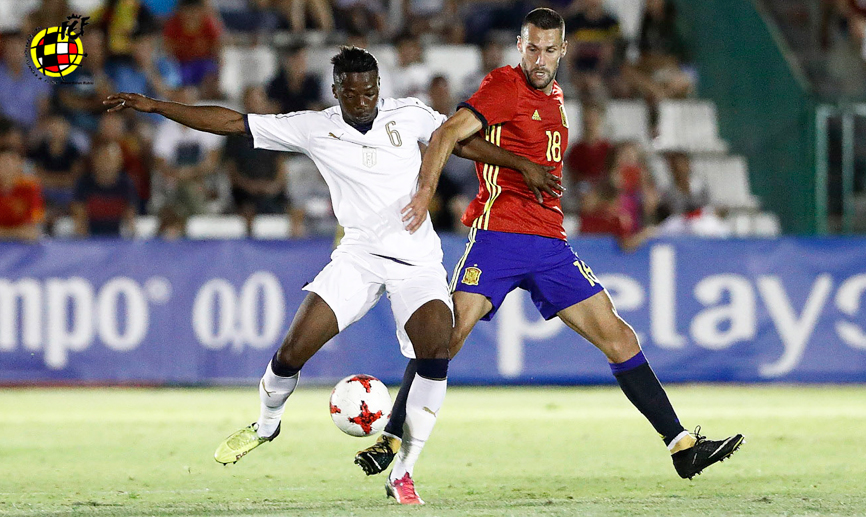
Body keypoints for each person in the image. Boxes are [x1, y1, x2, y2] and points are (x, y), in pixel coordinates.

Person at [104, 45, 552, 505]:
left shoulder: (410, 115)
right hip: (357, 258)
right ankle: (266, 424)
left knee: (436, 353)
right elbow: (233, 123)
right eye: (354, 93)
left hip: (417, 262)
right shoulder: (315, 128)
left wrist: (521, 164)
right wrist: (156, 106)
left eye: (371, 90)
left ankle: (404, 471)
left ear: (380, 86)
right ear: (337, 91)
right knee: (290, 354)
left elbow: (460, 141)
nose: (364, 100)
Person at [355, 7, 744, 484]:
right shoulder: (503, 86)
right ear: (521, 46)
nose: (539, 58)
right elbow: (447, 134)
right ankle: (392, 436)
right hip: (497, 236)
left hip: (549, 244)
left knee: (620, 338)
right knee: (446, 339)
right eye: (531, 48)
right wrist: (424, 192)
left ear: (563, 51)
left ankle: (681, 445)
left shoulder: (558, 96)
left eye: (549, 50)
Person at [71, 141, 138, 237]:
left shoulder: (126, 184)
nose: (106, 165)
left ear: (119, 162)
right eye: (103, 159)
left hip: (117, 239)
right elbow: (79, 218)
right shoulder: (83, 183)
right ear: (94, 161)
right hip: (90, 239)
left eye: (110, 160)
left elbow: (130, 218)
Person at [0, 146, 43, 242]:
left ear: (19, 164)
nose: (5, 166)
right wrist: (16, 232)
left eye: (9, 162)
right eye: (2, 162)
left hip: (23, 241)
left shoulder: (30, 187)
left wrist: (7, 232)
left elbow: (33, 225)